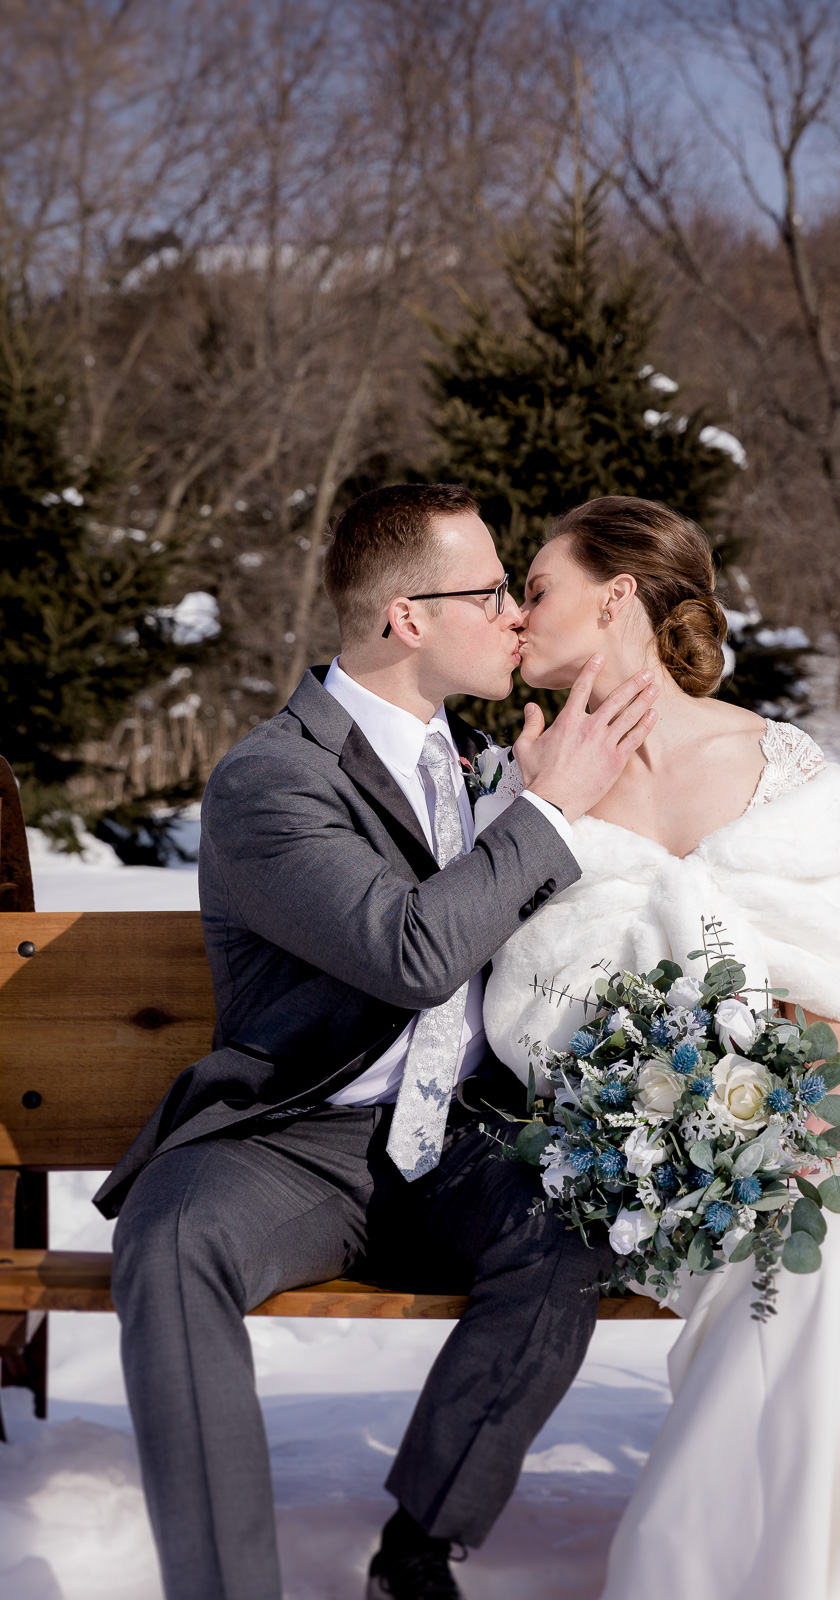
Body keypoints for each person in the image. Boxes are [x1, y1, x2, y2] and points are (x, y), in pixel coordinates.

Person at [481, 494, 840, 1600]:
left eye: (537, 587)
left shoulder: (780, 767)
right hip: (608, 1162)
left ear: (617, 598)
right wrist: (652, 1132)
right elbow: (524, 1010)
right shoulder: (521, 779)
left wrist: (787, 1113)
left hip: (777, 1138)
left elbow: (838, 988)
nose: (513, 614)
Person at [93, 482, 661, 1600]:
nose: (514, 612)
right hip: (291, 1142)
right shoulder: (271, 778)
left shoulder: (482, 760)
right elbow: (406, 949)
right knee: (169, 1241)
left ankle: (416, 1552)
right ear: (407, 617)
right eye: (490, 590)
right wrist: (548, 815)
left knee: (575, 1218)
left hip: (455, 1145)